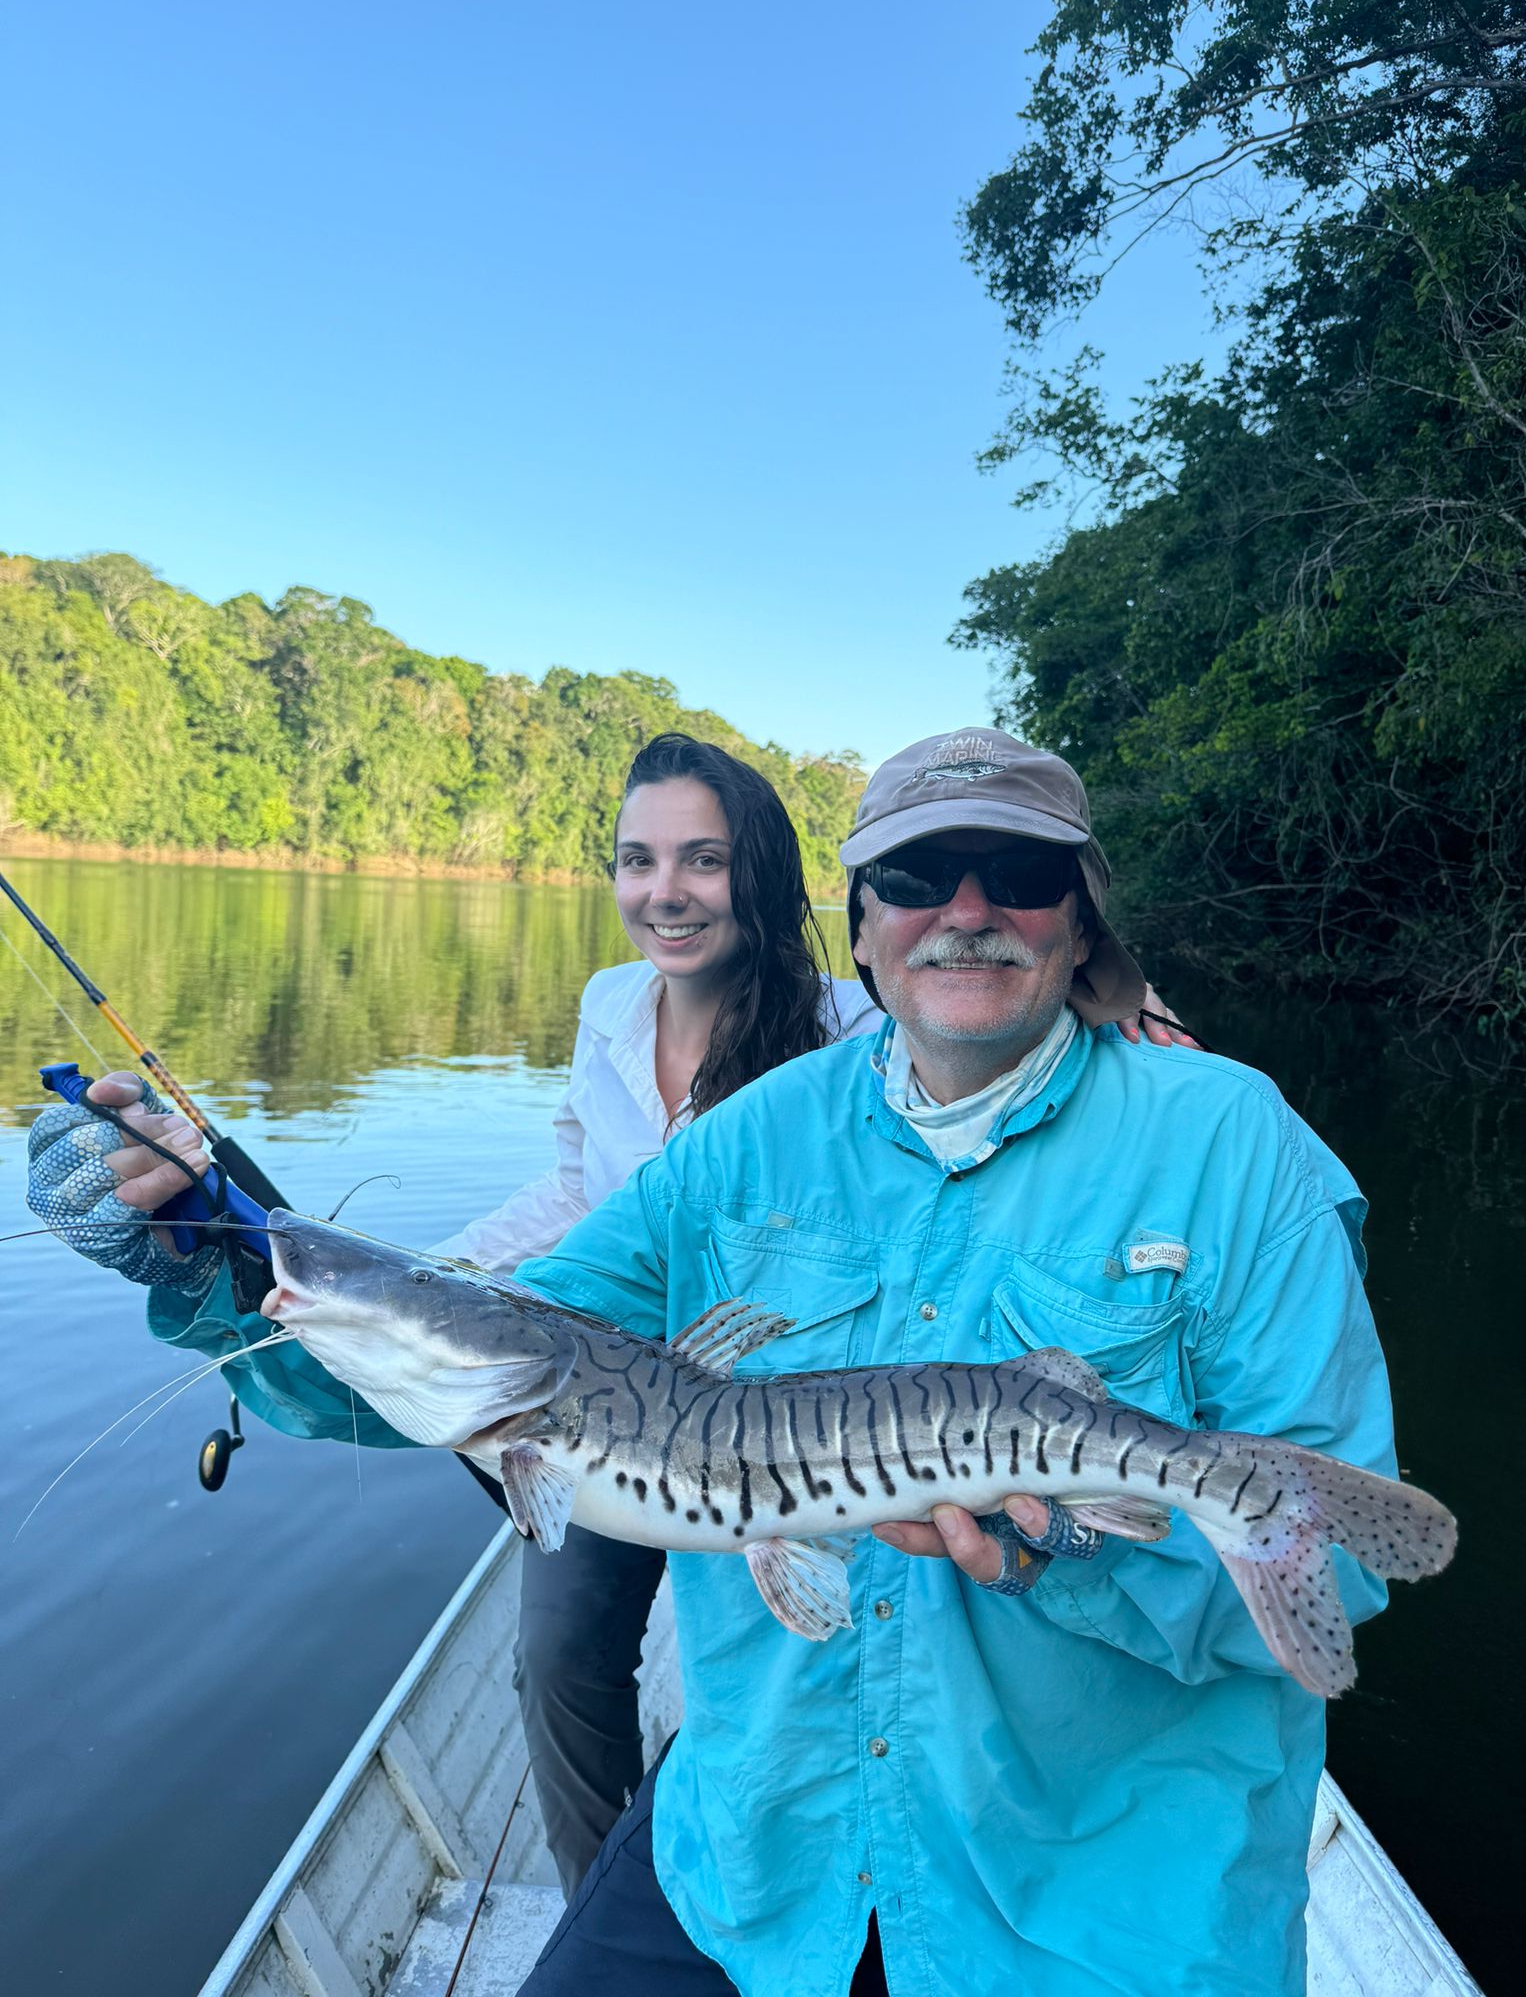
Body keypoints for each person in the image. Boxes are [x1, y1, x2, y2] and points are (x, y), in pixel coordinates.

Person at [25, 723, 1194, 1910]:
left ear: (769, 877)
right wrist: (421, 1275)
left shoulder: (856, 1029)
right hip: (595, 1382)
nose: (664, 892)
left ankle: (823, 1861)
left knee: (828, 1654)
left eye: (701, 858)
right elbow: (578, 1191)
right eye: (637, 859)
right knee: (554, 1656)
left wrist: (1126, 1008)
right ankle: (603, 1894)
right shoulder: (607, 1006)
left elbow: (983, 1031)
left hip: (780, 1407)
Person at [487, 728, 1395, 1997]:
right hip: (759, 1848)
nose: (966, 911)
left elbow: (1336, 1557)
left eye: (1015, 872)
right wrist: (225, 1261)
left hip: (1092, 1910)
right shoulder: (750, 1138)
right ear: (862, 928)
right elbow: (508, 1330)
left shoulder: (1240, 1145)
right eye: (917, 878)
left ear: (1079, 923)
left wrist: (1065, 1556)